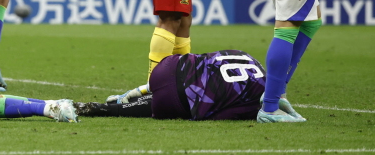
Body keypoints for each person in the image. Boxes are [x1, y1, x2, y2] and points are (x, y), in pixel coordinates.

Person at [80, 49, 266, 121]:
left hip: (167, 66)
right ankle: (108, 109)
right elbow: (224, 114)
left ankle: (134, 93)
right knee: (187, 99)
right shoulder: (258, 100)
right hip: (177, 97)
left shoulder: (249, 57)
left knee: (186, 81)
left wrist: (143, 89)